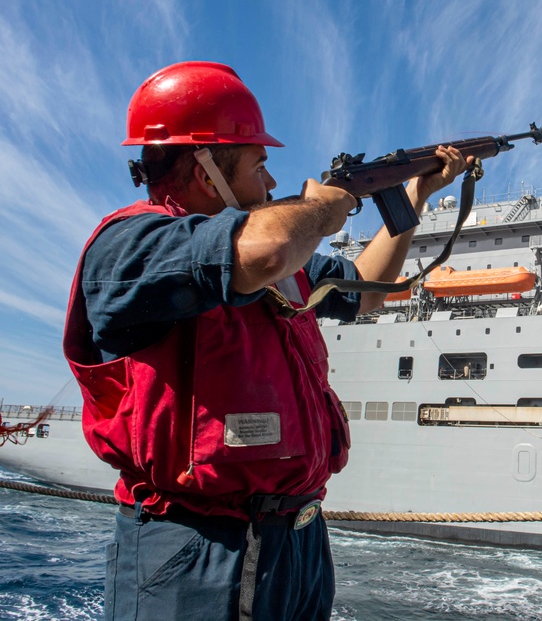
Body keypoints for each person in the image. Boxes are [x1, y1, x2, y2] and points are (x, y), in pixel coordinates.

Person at [62, 62, 470, 620]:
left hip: (296, 540)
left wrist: (417, 196)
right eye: (260, 166)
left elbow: (369, 291)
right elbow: (265, 248)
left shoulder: (283, 267)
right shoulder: (130, 245)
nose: (272, 184)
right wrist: (333, 200)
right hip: (197, 547)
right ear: (208, 171)